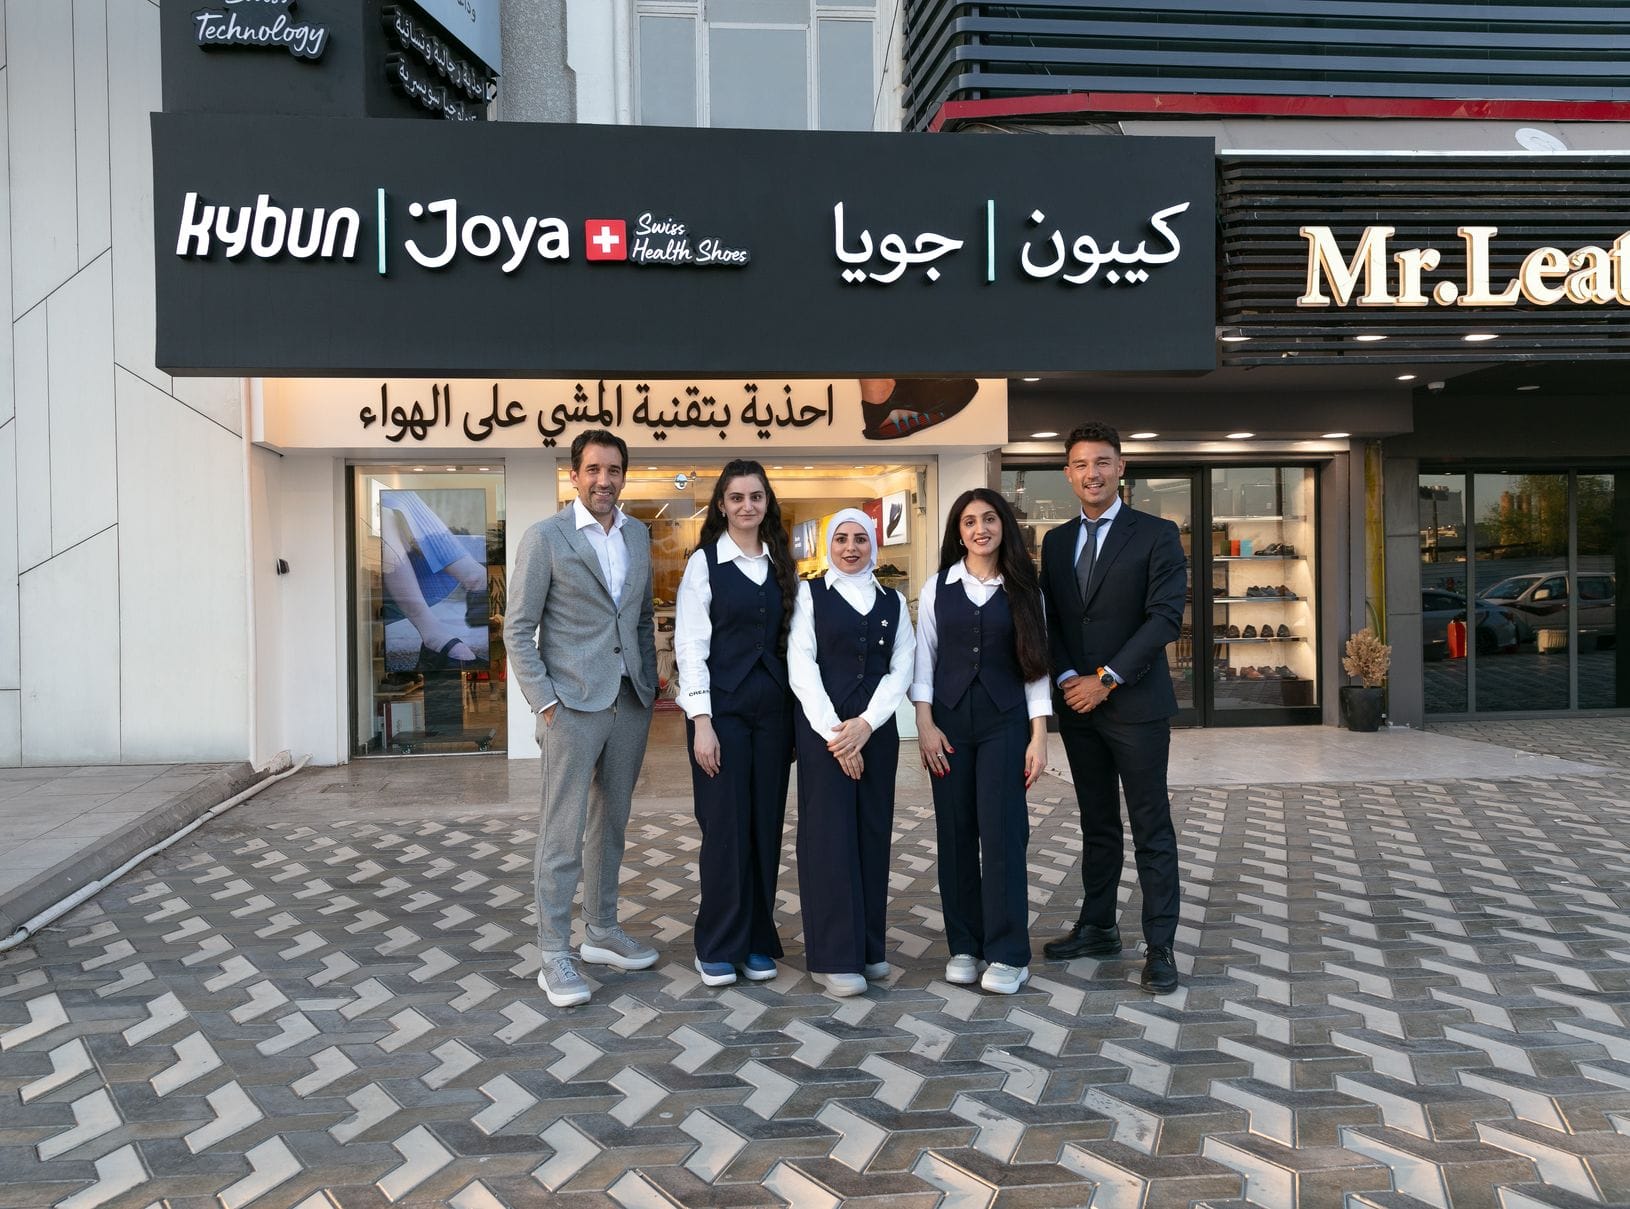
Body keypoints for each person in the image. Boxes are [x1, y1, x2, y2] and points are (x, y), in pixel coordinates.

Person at [504, 429, 660, 1008]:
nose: (604, 480)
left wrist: (649, 683)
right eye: (593, 469)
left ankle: (601, 929)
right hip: (570, 706)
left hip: (629, 703)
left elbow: (639, 619)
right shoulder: (545, 537)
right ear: (574, 475)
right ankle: (553, 952)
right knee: (562, 832)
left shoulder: (637, 534)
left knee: (611, 824)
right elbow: (517, 628)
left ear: (624, 475)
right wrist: (544, 701)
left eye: (613, 469)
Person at [1038, 422, 1187, 994]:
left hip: (1136, 705)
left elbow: (1164, 618)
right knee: (1096, 823)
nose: (1092, 473)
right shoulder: (1055, 542)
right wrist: (1068, 677)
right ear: (1068, 474)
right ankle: (1098, 926)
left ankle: (1160, 945)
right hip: (1079, 707)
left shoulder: (1156, 534)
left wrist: (1106, 679)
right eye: (1080, 464)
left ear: (1121, 467)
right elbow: (1051, 620)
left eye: (1102, 462)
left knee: (1151, 826)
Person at [913, 489, 1051, 995]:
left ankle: (1010, 954)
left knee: (1003, 836)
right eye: (969, 521)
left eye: (989, 519)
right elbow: (924, 659)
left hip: (1004, 724)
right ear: (958, 531)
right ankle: (964, 946)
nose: (980, 529)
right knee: (955, 836)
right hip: (948, 725)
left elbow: (1036, 665)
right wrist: (925, 724)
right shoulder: (937, 587)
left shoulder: (1025, 590)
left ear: (1003, 526)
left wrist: (1039, 736)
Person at [675, 460, 797, 987]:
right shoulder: (704, 564)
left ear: (767, 503)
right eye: (737, 497)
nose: (747, 506)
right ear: (721, 506)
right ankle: (718, 944)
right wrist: (701, 722)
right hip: (720, 713)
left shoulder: (781, 563)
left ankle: (755, 941)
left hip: (773, 713)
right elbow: (690, 646)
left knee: (764, 826)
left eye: (756, 496)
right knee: (724, 828)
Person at [787, 509, 914, 996]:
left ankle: (867, 947)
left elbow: (901, 669)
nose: (850, 547)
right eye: (840, 538)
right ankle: (832, 957)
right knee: (828, 840)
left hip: (875, 734)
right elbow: (801, 665)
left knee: (871, 835)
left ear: (873, 546)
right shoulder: (810, 594)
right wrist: (836, 734)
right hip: (824, 734)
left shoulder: (894, 601)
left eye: (860, 538)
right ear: (828, 546)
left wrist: (866, 724)